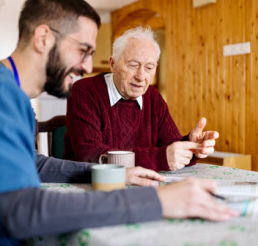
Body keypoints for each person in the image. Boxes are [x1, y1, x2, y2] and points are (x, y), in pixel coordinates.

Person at [0, 1, 238, 246]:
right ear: (44, 37)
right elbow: (24, 211)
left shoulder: (11, 94)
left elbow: (34, 163)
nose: (88, 65)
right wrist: (161, 202)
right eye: (83, 50)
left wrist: (110, 173)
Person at [63, 26, 219, 172]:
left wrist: (191, 146)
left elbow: (169, 147)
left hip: (140, 186)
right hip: (89, 186)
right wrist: (159, 158)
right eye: (133, 65)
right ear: (113, 64)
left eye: (149, 68)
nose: (141, 76)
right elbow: (90, 155)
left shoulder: (152, 96)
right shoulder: (84, 91)